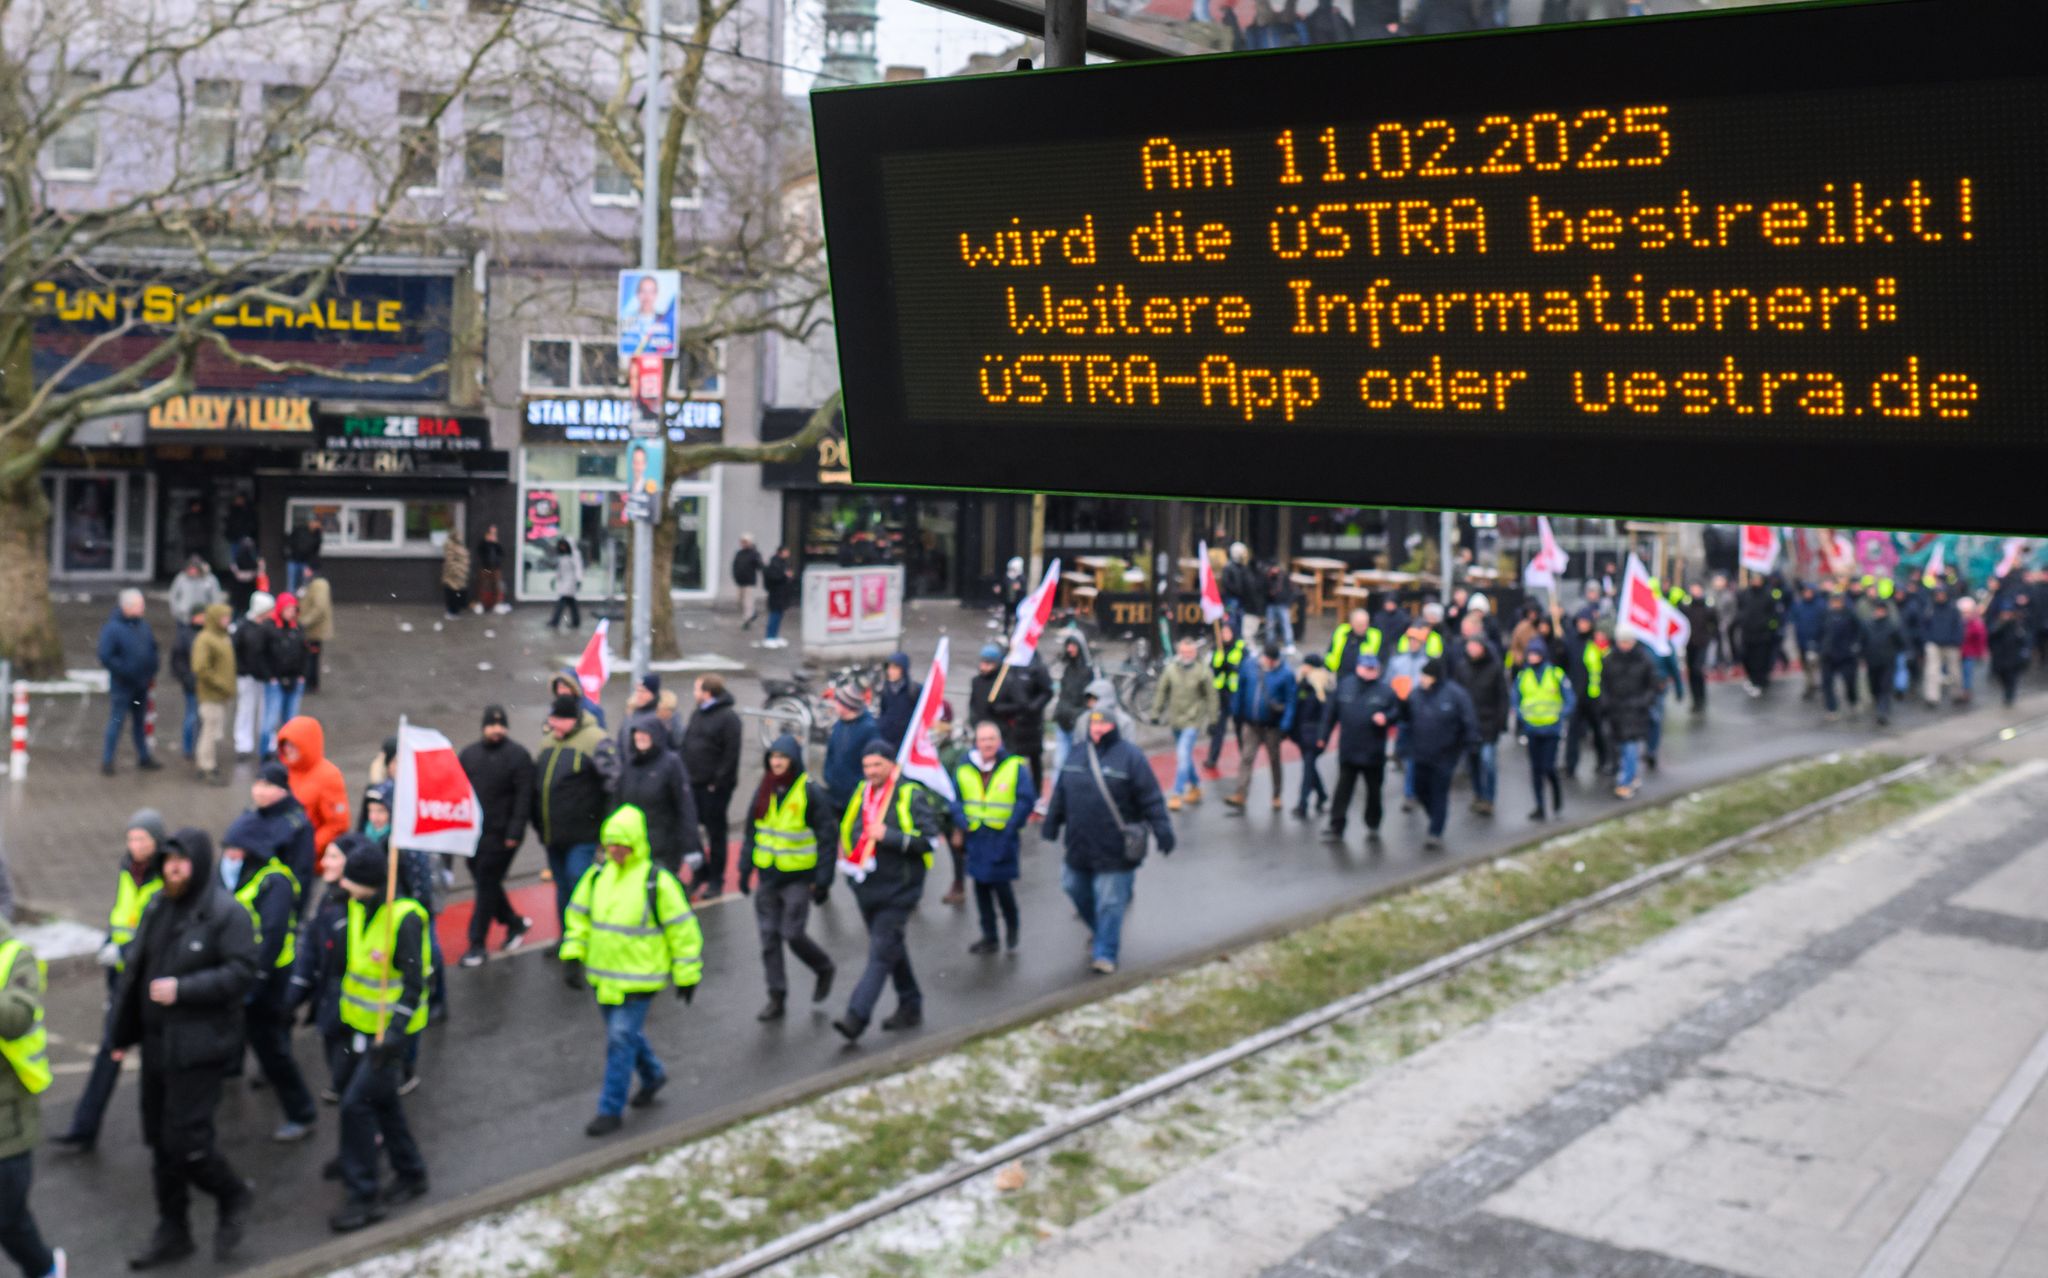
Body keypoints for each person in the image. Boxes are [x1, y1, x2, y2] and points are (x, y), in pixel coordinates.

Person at [110, 829, 258, 1268]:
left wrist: (185, 989)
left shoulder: (225, 915)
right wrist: (119, 1037)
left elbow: (242, 973)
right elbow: (137, 973)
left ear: (198, 864)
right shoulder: (158, 905)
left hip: (199, 1048)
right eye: (167, 862)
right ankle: (173, 1229)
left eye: (181, 862)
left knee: (187, 1143)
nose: (172, 869)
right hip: (157, 1047)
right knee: (159, 1141)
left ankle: (232, 1194)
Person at [560, 805, 702, 1136]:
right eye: (610, 843)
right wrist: (571, 954)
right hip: (603, 977)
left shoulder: (658, 882)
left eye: (621, 843)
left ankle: (610, 1109)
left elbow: (683, 931)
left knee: (620, 1038)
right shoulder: (596, 878)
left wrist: (687, 974)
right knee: (625, 1036)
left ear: (636, 843)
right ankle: (653, 1075)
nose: (615, 850)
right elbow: (578, 918)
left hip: (640, 979)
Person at [325, 842, 431, 1232]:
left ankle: (364, 1196)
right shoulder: (357, 906)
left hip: (389, 1038)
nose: (344, 885)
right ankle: (411, 1173)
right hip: (362, 1029)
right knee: (384, 1105)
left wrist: (395, 1034)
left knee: (356, 1105)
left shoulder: (405, 919)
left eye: (351, 880)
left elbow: (416, 984)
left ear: (369, 884)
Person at [52, 811, 165, 1154]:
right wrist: (108, 945)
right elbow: (119, 915)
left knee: (155, 1063)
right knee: (109, 1050)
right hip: (123, 979)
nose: (135, 845)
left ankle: (161, 1134)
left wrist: (124, 950)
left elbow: (157, 935)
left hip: (147, 984)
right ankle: (84, 1127)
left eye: (142, 839)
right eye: (131, 838)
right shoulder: (127, 870)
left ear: (156, 842)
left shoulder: (163, 879)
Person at [1044, 702, 1175, 975]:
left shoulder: (1131, 757)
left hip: (1115, 848)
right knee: (1072, 886)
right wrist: (1052, 822)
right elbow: (1061, 792)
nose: (1098, 729)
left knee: (1109, 901)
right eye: (1094, 723)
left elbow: (1150, 798)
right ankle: (1101, 931)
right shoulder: (1078, 754)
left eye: (1104, 723)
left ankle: (1105, 953)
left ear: (1114, 726)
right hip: (1079, 843)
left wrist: (1163, 829)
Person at [831, 744, 946, 1042]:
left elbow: (929, 840)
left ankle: (856, 1016)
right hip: (867, 887)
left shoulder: (910, 793)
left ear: (891, 765)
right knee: (892, 948)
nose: (871, 772)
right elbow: (851, 828)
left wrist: (890, 836)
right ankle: (911, 1004)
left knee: (881, 952)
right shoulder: (862, 792)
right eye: (867, 766)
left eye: (877, 766)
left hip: (900, 889)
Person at [218, 819, 316, 1142]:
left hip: (270, 977)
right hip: (243, 974)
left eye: (236, 851)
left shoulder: (275, 880)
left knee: (273, 1049)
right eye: (227, 851)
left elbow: (273, 934)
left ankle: (301, 1113)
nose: (230, 857)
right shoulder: (235, 874)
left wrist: (257, 977)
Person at [741, 735, 838, 1021]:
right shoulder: (764, 790)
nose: (777, 762)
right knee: (769, 939)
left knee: (792, 934)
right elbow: (751, 832)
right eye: (773, 757)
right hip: (769, 878)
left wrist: (823, 881)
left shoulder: (809, 793)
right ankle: (777, 996)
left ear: (793, 760)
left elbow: (827, 838)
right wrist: (745, 869)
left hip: (797, 878)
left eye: (782, 757)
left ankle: (823, 967)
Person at [0, 909, 64, 1278]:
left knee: (8, 1218)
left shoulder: (14, 955)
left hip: (8, 1120)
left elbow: (15, 1019)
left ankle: (45, 1268)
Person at [533, 691, 620, 930]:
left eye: (557, 720)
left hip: (583, 833)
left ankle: (588, 934)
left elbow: (613, 785)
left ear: (572, 719)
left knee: (578, 882)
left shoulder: (596, 741)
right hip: (554, 835)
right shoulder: (548, 742)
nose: (552, 724)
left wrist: (605, 828)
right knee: (562, 886)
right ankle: (567, 936)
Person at [457, 706, 535, 965]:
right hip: (474, 835)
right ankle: (514, 923)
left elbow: (524, 798)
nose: (497, 730)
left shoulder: (518, 756)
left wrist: (515, 831)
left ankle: (476, 943)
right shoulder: (469, 755)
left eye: (501, 726)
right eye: (492, 725)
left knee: (486, 883)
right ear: (484, 727)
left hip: (502, 837)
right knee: (485, 883)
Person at [952, 720, 1036, 955]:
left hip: (1002, 837)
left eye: (991, 739)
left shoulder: (1013, 766)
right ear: (976, 743)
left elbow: (1025, 799)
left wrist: (1011, 826)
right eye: (982, 739)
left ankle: (1012, 928)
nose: (987, 744)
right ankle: (989, 936)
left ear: (999, 742)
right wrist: (962, 821)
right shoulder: (964, 767)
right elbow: (955, 798)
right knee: (981, 889)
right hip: (976, 837)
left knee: (1002, 888)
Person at [1319, 653, 1402, 843]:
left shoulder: (1385, 691)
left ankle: (1373, 822)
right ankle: (1336, 826)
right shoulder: (1345, 685)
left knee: (1374, 791)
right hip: (1349, 750)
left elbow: (1397, 712)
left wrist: (1387, 718)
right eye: (1366, 668)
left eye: (1373, 669)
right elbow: (1330, 714)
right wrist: (1322, 737)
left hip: (1373, 753)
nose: (1369, 672)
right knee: (1342, 790)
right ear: (1358, 667)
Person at [614, 713, 700, 876]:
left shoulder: (671, 764)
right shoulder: (630, 766)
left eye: (645, 733)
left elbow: (685, 806)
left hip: (663, 848)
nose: (640, 737)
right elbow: (616, 804)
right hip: (633, 847)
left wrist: (690, 846)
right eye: (637, 733)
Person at [1404, 659, 1476, 851]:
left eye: (1425, 676)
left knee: (1439, 792)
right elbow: (1406, 719)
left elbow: (1468, 721)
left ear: (1434, 678)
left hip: (1445, 755)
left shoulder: (1455, 695)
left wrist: (1470, 744)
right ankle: (1434, 815)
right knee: (1420, 789)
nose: (1422, 679)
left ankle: (1435, 831)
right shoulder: (1416, 694)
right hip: (1420, 753)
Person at [682, 676, 742, 902]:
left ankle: (716, 878)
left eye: (697, 689)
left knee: (716, 834)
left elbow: (731, 754)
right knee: (688, 829)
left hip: (714, 789)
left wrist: (716, 783)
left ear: (708, 692)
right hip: (692, 783)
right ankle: (701, 872)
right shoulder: (698, 714)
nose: (694, 693)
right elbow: (687, 743)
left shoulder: (728, 718)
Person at [97, 587, 162, 776]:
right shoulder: (113, 628)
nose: (143, 609)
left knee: (140, 723)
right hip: (122, 686)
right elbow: (105, 655)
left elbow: (152, 648)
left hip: (141, 685)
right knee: (116, 721)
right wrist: (125, 670)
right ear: (128, 606)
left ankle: (144, 756)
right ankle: (108, 760)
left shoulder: (142, 625)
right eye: (139, 605)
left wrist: (151, 669)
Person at [1225, 643, 1294, 813]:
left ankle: (1276, 795)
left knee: (1274, 760)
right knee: (1246, 758)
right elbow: (1240, 689)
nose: (1270, 663)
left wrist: (1285, 725)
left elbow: (1291, 702)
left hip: (1272, 726)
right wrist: (1236, 712)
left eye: (1272, 661)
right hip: (1251, 723)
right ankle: (1241, 793)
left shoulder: (1286, 674)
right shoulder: (1249, 666)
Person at [1513, 639, 1575, 821]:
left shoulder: (1556, 674)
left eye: (1535, 654)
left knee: (1549, 767)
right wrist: (1522, 717)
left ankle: (1556, 797)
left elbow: (1570, 699)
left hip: (1551, 730)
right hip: (1532, 730)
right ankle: (1539, 806)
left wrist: (1561, 715)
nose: (1532, 657)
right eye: (1530, 654)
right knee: (1535, 770)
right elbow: (1515, 700)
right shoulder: (1523, 676)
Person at [1149, 636, 1212, 810]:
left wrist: (1213, 720)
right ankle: (1197, 786)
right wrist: (1156, 712)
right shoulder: (1171, 670)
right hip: (1176, 720)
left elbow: (1211, 696)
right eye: (1183, 651)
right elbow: (1162, 691)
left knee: (1183, 755)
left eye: (1189, 652)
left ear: (1195, 652)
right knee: (1186, 756)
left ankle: (1177, 793)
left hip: (1192, 721)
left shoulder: (1202, 671)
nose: (1186, 655)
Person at [278, 715, 351, 862]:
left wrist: (308, 848)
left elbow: (337, 824)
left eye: (293, 745)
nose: (288, 750)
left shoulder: (329, 777)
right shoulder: (283, 771)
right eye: (285, 745)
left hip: (309, 860)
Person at [1602, 626, 1658, 800]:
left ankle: (1625, 781)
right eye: (1622, 641)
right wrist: (1606, 703)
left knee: (1631, 746)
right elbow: (1604, 684)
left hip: (1635, 710)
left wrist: (1643, 702)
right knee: (1620, 746)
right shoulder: (1609, 660)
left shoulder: (1644, 660)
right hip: (1616, 709)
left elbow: (1652, 685)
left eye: (1627, 641)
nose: (1625, 645)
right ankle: (1630, 775)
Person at [1454, 635, 1508, 816]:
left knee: (1487, 761)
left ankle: (1489, 798)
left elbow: (1502, 697)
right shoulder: (1462, 667)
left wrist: (1501, 722)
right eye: (1470, 645)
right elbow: (1457, 695)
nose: (1472, 649)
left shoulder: (1494, 669)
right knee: (1473, 762)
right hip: (1469, 724)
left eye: (1475, 646)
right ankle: (1478, 794)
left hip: (1489, 723)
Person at [261, 595, 309, 761]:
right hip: (276, 680)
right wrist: (270, 676)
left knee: (291, 722)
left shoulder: (298, 629)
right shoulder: (270, 629)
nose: (291, 612)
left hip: (295, 679)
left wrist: (302, 675)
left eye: (293, 609)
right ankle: (265, 753)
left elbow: (304, 653)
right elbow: (262, 654)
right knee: (270, 721)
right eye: (288, 609)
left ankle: (287, 754)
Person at [1560, 613, 1607, 779]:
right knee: (1573, 732)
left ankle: (1603, 761)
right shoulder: (1571, 641)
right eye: (1580, 622)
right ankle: (1570, 765)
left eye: (1585, 622)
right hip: (1576, 694)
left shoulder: (1596, 641)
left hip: (1593, 696)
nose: (1582, 625)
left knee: (1598, 731)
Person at [822, 687, 879, 812]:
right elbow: (831, 753)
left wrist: (857, 786)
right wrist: (828, 776)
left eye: (837, 701)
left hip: (854, 796)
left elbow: (872, 761)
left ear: (846, 705)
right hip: (834, 792)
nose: (834, 704)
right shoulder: (839, 725)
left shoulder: (869, 729)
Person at [1288, 659, 1331, 820]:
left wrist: (1322, 736)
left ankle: (1302, 804)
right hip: (1302, 734)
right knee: (1310, 767)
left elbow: (1326, 716)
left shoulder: (1322, 688)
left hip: (1314, 736)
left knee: (1307, 768)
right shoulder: (1303, 685)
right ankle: (1321, 795)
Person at [232, 592, 274, 759]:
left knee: (267, 710)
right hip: (247, 676)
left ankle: (269, 743)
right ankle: (243, 744)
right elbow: (235, 651)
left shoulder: (269, 626)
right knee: (245, 709)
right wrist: (242, 669)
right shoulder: (243, 627)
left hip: (265, 676)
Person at [1203, 620, 1246, 771]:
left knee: (1239, 729)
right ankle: (1212, 758)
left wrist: (1234, 668)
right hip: (1221, 696)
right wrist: (1218, 667)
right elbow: (1210, 670)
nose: (1225, 635)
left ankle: (1245, 759)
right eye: (1223, 632)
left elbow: (1245, 669)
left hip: (1235, 696)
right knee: (1218, 729)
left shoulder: (1241, 648)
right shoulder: (1216, 648)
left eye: (1228, 632)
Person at [1050, 634, 1094, 780]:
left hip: (1077, 721)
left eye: (1073, 645)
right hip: (1064, 720)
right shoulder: (1067, 668)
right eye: (1068, 645)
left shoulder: (1087, 671)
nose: (1069, 649)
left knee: (1075, 762)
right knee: (1059, 762)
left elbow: (1089, 698)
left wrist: (1079, 714)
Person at [1818, 592, 1865, 719]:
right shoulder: (1826, 615)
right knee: (1827, 683)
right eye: (1833, 602)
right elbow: (1819, 632)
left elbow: (1859, 631)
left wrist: (1855, 645)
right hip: (1828, 654)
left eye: (1837, 601)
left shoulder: (1850, 615)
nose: (1835, 604)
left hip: (1846, 655)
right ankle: (1831, 708)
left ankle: (1853, 701)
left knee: (1850, 681)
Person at [1862, 598, 1906, 726]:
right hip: (1872, 661)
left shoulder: (1892, 626)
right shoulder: (1868, 625)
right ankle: (1878, 705)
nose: (1879, 612)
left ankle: (1883, 711)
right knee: (1874, 686)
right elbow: (1862, 641)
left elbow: (1900, 643)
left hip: (1887, 661)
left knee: (1885, 687)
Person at [169, 604, 203, 764]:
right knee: (192, 716)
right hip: (191, 683)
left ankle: (199, 746)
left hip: (205, 684)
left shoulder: (205, 633)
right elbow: (177, 660)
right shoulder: (184, 635)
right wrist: (187, 678)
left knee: (202, 717)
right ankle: (188, 748)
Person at [1920, 584, 1962, 706]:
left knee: (1954, 672)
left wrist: (1956, 640)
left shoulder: (1953, 609)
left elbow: (1958, 626)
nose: (1940, 597)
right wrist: (1927, 639)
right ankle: (1932, 697)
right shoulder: (1930, 609)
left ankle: (1956, 694)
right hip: (1934, 643)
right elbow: (1924, 626)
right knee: (1932, 671)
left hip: (1951, 644)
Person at [873, 651, 923, 754]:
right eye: (889, 668)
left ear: (903, 670)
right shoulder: (884, 689)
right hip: (886, 739)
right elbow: (883, 711)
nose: (890, 671)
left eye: (895, 668)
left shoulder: (914, 690)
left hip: (906, 740)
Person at [1989, 594, 2033, 707]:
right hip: (2000, 656)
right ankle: (2007, 692)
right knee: (2001, 676)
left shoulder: (2018, 624)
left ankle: (2009, 695)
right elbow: (1991, 636)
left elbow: (2025, 638)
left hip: (2013, 656)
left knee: (2012, 678)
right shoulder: (1998, 624)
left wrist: (2025, 652)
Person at [298, 564, 333, 694]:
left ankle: (310, 684)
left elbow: (319, 608)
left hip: (314, 630)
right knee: (311, 656)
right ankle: (311, 684)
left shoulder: (319, 585)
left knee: (311, 657)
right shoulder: (312, 583)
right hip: (312, 629)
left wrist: (304, 621)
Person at [1787, 584, 1825, 701]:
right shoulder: (1798, 605)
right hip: (1802, 641)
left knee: (1817, 665)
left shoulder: (1820, 606)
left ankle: (1819, 684)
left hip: (1817, 642)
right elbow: (1792, 622)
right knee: (1806, 667)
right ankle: (1810, 685)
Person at [168, 553, 222, 631]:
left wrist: (211, 615)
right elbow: (173, 595)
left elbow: (216, 599)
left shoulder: (210, 579)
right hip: (184, 619)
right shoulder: (181, 578)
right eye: (190, 568)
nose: (192, 571)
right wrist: (176, 612)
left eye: (194, 568)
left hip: (202, 619)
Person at [760, 546, 797, 648]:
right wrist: (785, 575)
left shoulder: (782, 562)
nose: (788, 554)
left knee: (779, 614)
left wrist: (788, 576)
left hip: (782, 593)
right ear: (781, 552)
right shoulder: (775, 563)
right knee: (775, 614)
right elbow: (774, 577)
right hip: (776, 593)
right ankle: (769, 637)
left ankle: (775, 636)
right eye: (786, 551)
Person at [546, 538, 584, 630]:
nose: (562, 547)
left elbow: (578, 567)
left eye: (564, 545)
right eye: (561, 546)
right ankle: (576, 621)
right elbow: (559, 569)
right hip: (564, 582)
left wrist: (579, 580)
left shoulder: (575, 555)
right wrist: (555, 579)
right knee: (571, 602)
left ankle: (555, 621)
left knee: (562, 601)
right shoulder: (562, 556)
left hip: (571, 582)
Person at [1958, 596, 1988, 705]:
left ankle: (1966, 690)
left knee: (1967, 672)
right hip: (1958, 651)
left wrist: (1981, 652)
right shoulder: (1958, 622)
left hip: (1969, 652)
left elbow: (1980, 640)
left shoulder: (1976, 624)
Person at [474, 525, 509, 614]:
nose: (493, 535)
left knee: (496, 585)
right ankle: (481, 604)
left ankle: (497, 605)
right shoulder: (483, 543)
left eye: (494, 533)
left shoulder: (497, 544)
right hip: (485, 567)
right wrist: (487, 542)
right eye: (491, 533)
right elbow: (479, 552)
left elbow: (502, 553)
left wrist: (496, 543)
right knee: (483, 584)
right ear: (487, 533)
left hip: (496, 567)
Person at [731, 534, 763, 629]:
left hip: (749, 582)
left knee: (748, 602)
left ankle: (747, 621)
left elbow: (760, 566)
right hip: (740, 581)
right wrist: (735, 576)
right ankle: (752, 614)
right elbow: (734, 565)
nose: (743, 544)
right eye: (742, 542)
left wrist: (756, 557)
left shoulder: (754, 553)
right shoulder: (739, 553)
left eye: (745, 542)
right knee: (739, 602)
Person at [439, 529, 471, 620]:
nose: (461, 537)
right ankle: (451, 612)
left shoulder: (459, 545)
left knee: (458, 594)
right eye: (459, 535)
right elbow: (450, 561)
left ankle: (455, 611)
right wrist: (457, 571)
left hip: (460, 576)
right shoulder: (450, 546)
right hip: (453, 576)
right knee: (452, 594)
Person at [285, 516, 323, 594]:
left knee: (304, 585)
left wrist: (310, 566)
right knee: (291, 584)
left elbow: (315, 552)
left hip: (306, 563)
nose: (314, 525)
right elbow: (290, 541)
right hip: (294, 560)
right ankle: (290, 602)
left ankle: (302, 603)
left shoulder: (317, 535)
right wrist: (287, 554)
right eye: (313, 522)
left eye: (316, 523)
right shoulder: (300, 530)